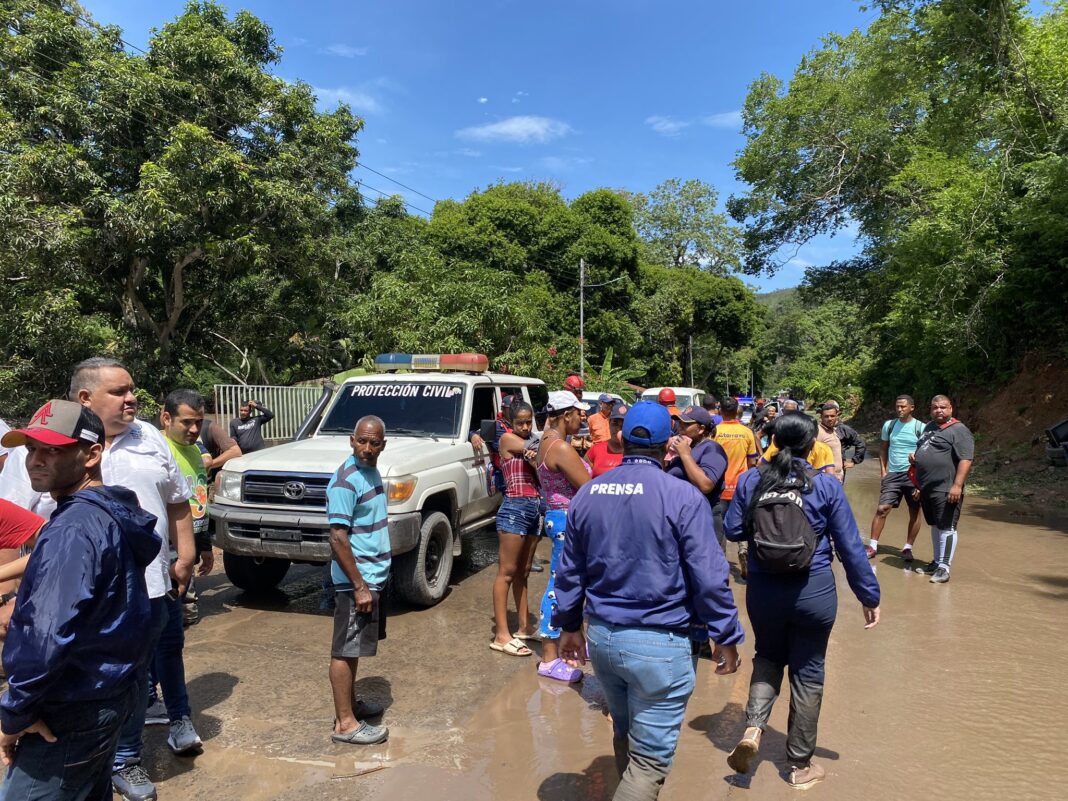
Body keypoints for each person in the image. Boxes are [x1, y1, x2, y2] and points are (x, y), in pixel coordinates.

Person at [0, 358, 196, 801]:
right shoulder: (112, 511)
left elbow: (46, 636)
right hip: (108, 695)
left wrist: (14, 714)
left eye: (53, 450)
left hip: (67, 711)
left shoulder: (72, 529)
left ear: (90, 455)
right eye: (31, 448)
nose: (36, 460)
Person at [553, 401, 743, 800]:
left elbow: (569, 572)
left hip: (604, 640)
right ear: (668, 445)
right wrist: (725, 634)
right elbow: (709, 576)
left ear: (621, 437)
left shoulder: (587, 494)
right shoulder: (683, 497)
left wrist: (569, 627)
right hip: (661, 644)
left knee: (625, 733)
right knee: (650, 762)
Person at [724, 413, 881, 789]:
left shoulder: (750, 480)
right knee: (808, 672)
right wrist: (868, 595)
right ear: (814, 446)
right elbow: (849, 546)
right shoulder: (825, 485)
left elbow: (731, 529)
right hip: (813, 592)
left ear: (774, 440)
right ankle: (799, 765)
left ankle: (753, 730)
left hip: (764, 590)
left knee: (768, 657)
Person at [153, 389, 216, 752]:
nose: (194, 429)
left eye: (198, 422)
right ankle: (164, 707)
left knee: (169, 636)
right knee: (164, 637)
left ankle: (165, 706)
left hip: (185, 556)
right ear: (166, 419)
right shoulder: (157, 451)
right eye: (186, 422)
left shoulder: (194, 452)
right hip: (162, 557)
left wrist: (203, 547)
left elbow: (197, 502)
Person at [327, 416, 390, 745]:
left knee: (355, 649)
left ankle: (351, 705)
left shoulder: (371, 471)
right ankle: (345, 724)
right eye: (361, 441)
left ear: (383, 444)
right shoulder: (346, 480)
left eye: (374, 442)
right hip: (356, 581)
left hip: (372, 576)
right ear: (352, 440)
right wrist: (359, 585)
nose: (367, 448)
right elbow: (337, 536)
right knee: (345, 649)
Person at [534, 391, 592, 682]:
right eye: (579, 412)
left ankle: (568, 642)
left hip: (560, 518)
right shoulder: (561, 448)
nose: (582, 417)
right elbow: (588, 487)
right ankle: (549, 657)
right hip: (567, 520)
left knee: (566, 582)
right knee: (559, 586)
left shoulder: (547, 441)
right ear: (565, 414)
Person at [490, 401, 541, 656]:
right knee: (507, 573)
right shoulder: (508, 440)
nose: (524, 426)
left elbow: (542, 464)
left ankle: (524, 628)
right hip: (514, 508)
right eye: (519, 422)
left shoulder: (532, 442)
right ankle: (501, 635)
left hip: (533, 509)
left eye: (528, 421)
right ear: (510, 423)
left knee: (524, 572)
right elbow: (540, 449)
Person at [911, 396, 974, 584]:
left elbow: (966, 459)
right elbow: (925, 451)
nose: (939, 411)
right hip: (927, 487)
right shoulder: (929, 427)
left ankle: (944, 568)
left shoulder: (959, 431)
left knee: (947, 526)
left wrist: (957, 485)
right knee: (935, 525)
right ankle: (936, 562)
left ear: (951, 409)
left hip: (946, 487)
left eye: (943, 407)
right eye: (935, 408)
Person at [867, 395, 925, 560]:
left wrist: (921, 480)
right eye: (897, 406)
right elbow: (883, 448)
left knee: (914, 511)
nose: (900, 409)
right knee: (882, 509)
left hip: (913, 476)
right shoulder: (889, 425)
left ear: (911, 408)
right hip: (892, 474)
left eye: (903, 407)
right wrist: (883, 472)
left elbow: (926, 453)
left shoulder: (921, 427)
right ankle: (872, 546)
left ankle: (907, 548)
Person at [713, 397, 760, 575]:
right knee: (744, 523)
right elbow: (752, 462)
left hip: (719, 486)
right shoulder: (747, 432)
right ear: (737, 412)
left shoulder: (715, 431)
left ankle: (720, 566)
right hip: (741, 487)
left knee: (720, 528)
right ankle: (743, 550)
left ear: (720, 411)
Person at [666, 406, 728, 530]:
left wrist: (685, 455)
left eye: (686, 425)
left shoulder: (712, 449)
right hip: (679, 515)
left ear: (701, 429)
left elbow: (705, 485)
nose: (680, 428)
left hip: (703, 518)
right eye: (680, 423)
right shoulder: (684, 447)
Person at [584, 403, 627, 477]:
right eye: (615, 423)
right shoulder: (595, 450)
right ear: (609, 424)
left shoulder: (636, 452)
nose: (618, 429)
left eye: (623, 425)